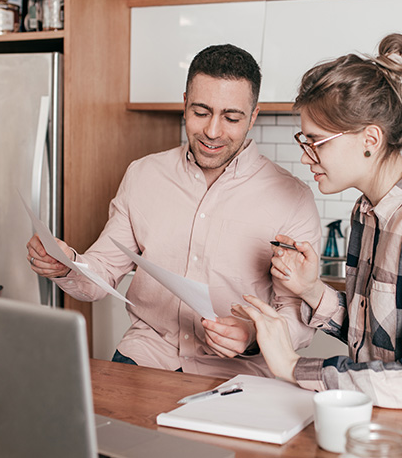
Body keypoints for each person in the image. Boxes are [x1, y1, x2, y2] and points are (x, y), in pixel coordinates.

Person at [234, 34, 402, 419]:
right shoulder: (367, 213)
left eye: (317, 141)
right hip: (392, 424)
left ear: (370, 138)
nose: (305, 156)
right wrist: (311, 290)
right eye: (304, 140)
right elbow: (378, 336)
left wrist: (294, 366)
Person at [26, 44, 322, 378]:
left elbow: (298, 316)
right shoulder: (143, 175)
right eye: (201, 112)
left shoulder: (292, 198)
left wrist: (254, 336)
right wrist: (66, 264)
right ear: (184, 104)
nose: (212, 131)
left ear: (253, 117)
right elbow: (101, 274)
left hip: (238, 374)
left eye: (231, 117)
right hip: (147, 355)